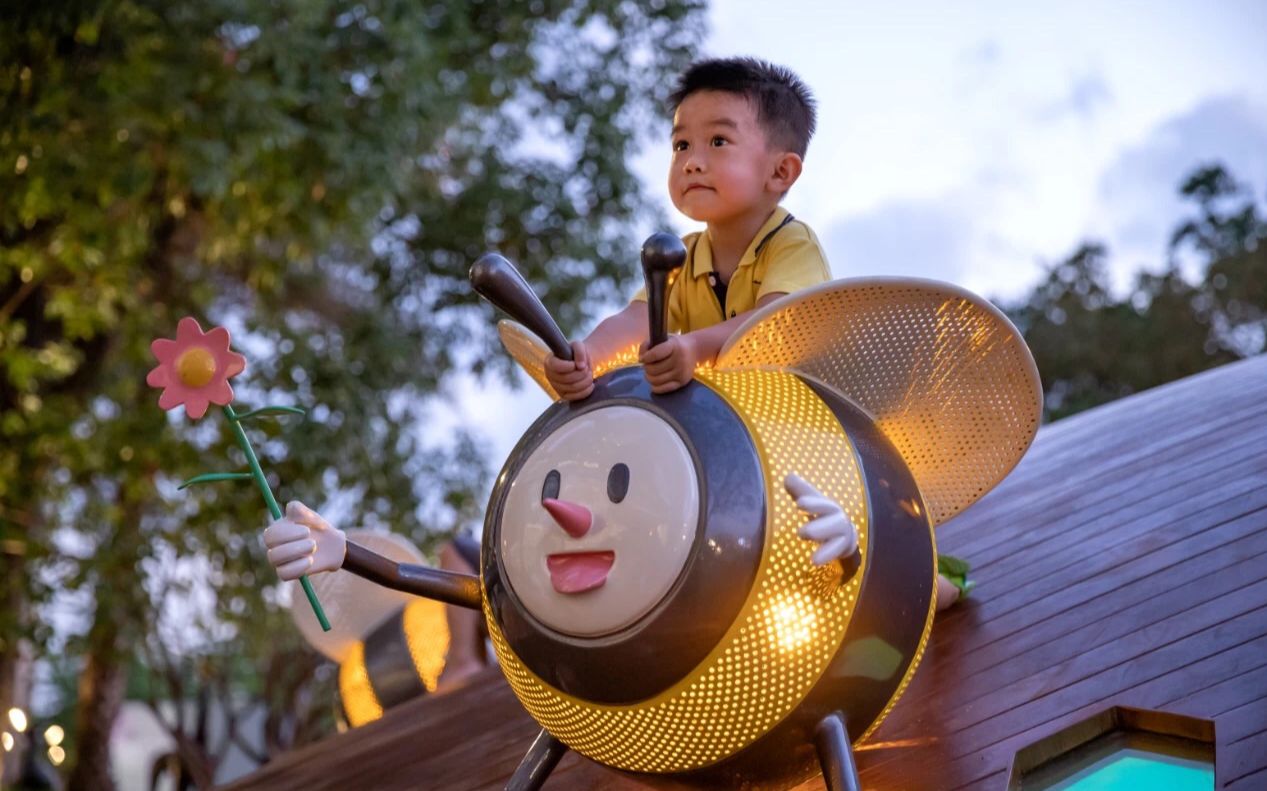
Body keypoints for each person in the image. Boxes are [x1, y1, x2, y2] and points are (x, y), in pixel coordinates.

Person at [543, 56, 970, 609]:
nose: (693, 162)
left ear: (781, 173)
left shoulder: (790, 245)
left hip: (802, 432)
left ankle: (921, 579)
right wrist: (588, 355)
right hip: (731, 441)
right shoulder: (680, 258)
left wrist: (695, 347)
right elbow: (633, 319)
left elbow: (776, 324)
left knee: (837, 521)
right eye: (680, 147)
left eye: (718, 142)